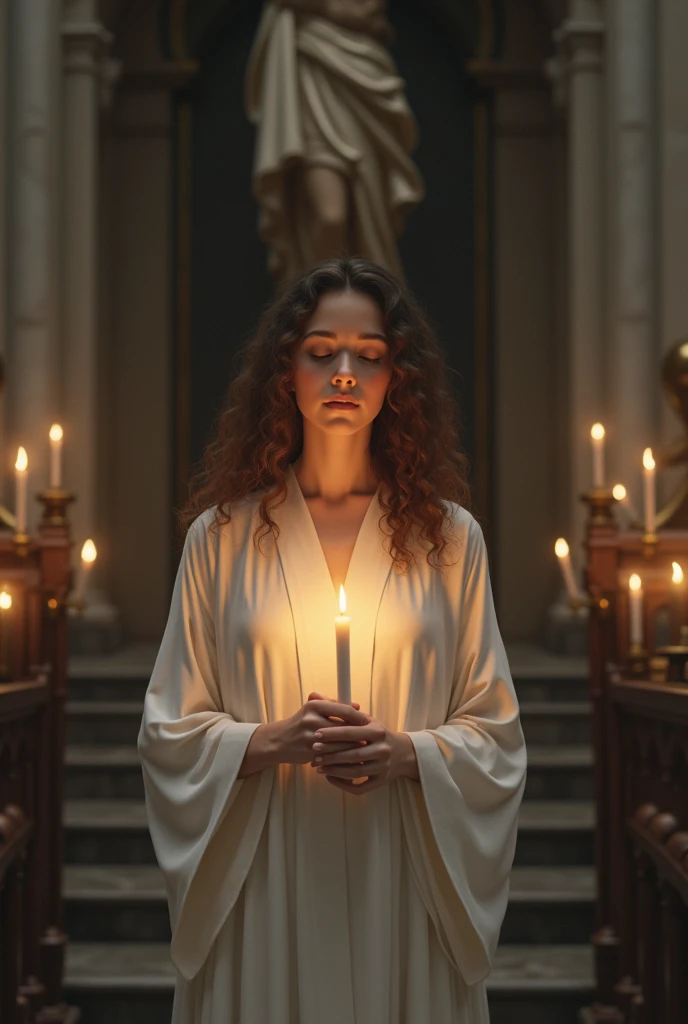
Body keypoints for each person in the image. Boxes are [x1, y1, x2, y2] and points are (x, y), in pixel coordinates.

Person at [137, 256, 527, 1024]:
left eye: (370, 355)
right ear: (286, 369)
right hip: (269, 872)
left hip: (401, 871)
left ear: (395, 378)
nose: (344, 371)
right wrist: (269, 740)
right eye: (321, 350)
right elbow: (167, 729)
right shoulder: (222, 539)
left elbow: (497, 736)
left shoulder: (451, 540)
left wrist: (409, 753)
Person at [244, 0, 425, 290]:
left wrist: (328, 8)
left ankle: (368, 303)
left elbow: (363, 10)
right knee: (331, 216)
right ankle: (317, 303)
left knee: (370, 215)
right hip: (312, 78)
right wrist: (331, 8)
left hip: (361, 76)